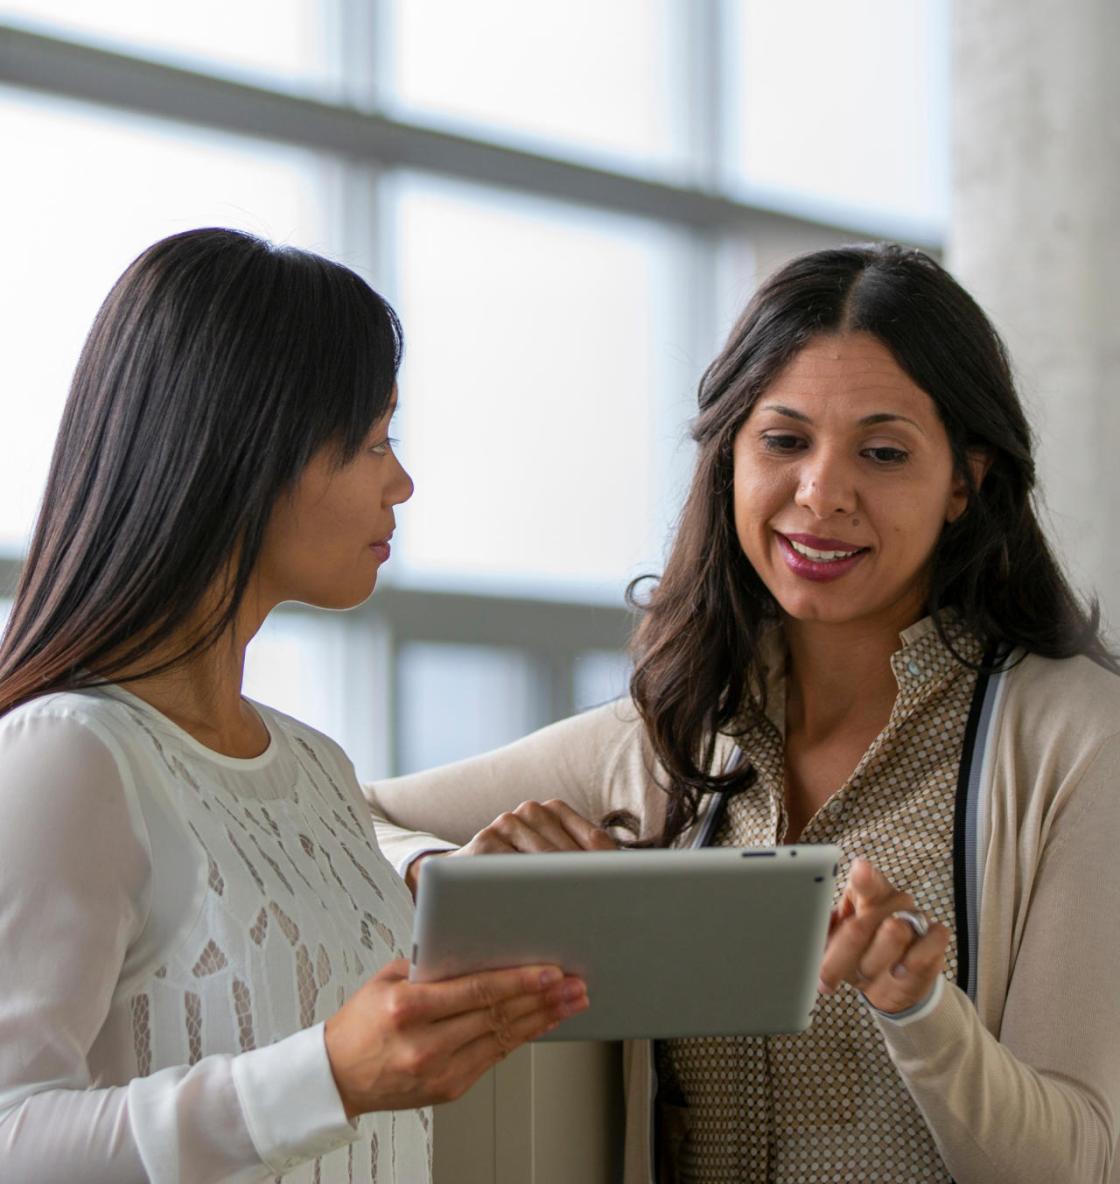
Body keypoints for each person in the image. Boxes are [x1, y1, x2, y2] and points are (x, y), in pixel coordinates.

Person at [365, 242, 1120, 1184]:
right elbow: (348, 816)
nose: (822, 493)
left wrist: (920, 1011)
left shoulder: (1078, 740)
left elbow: (1078, 1162)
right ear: (730, 456)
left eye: (882, 453)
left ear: (965, 483)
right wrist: (451, 875)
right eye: (785, 440)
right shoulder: (667, 738)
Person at [0, 227, 587, 1183]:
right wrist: (327, 1080)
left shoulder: (315, 768)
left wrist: (468, 912)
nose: (401, 482)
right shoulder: (67, 757)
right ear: (247, 451)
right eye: (373, 440)